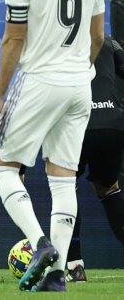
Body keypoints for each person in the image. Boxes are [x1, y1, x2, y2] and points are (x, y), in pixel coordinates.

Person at [0, 0, 105, 292]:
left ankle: (41, 245)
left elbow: (13, 39)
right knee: (64, 180)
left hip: (39, 79)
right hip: (79, 84)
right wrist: (81, 70)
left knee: (2, 167)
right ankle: (57, 277)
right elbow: (98, 37)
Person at [65, 36, 124, 282]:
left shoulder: (57, 41)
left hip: (76, 124)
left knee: (64, 187)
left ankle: (74, 266)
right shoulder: (110, 43)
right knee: (109, 188)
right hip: (112, 124)